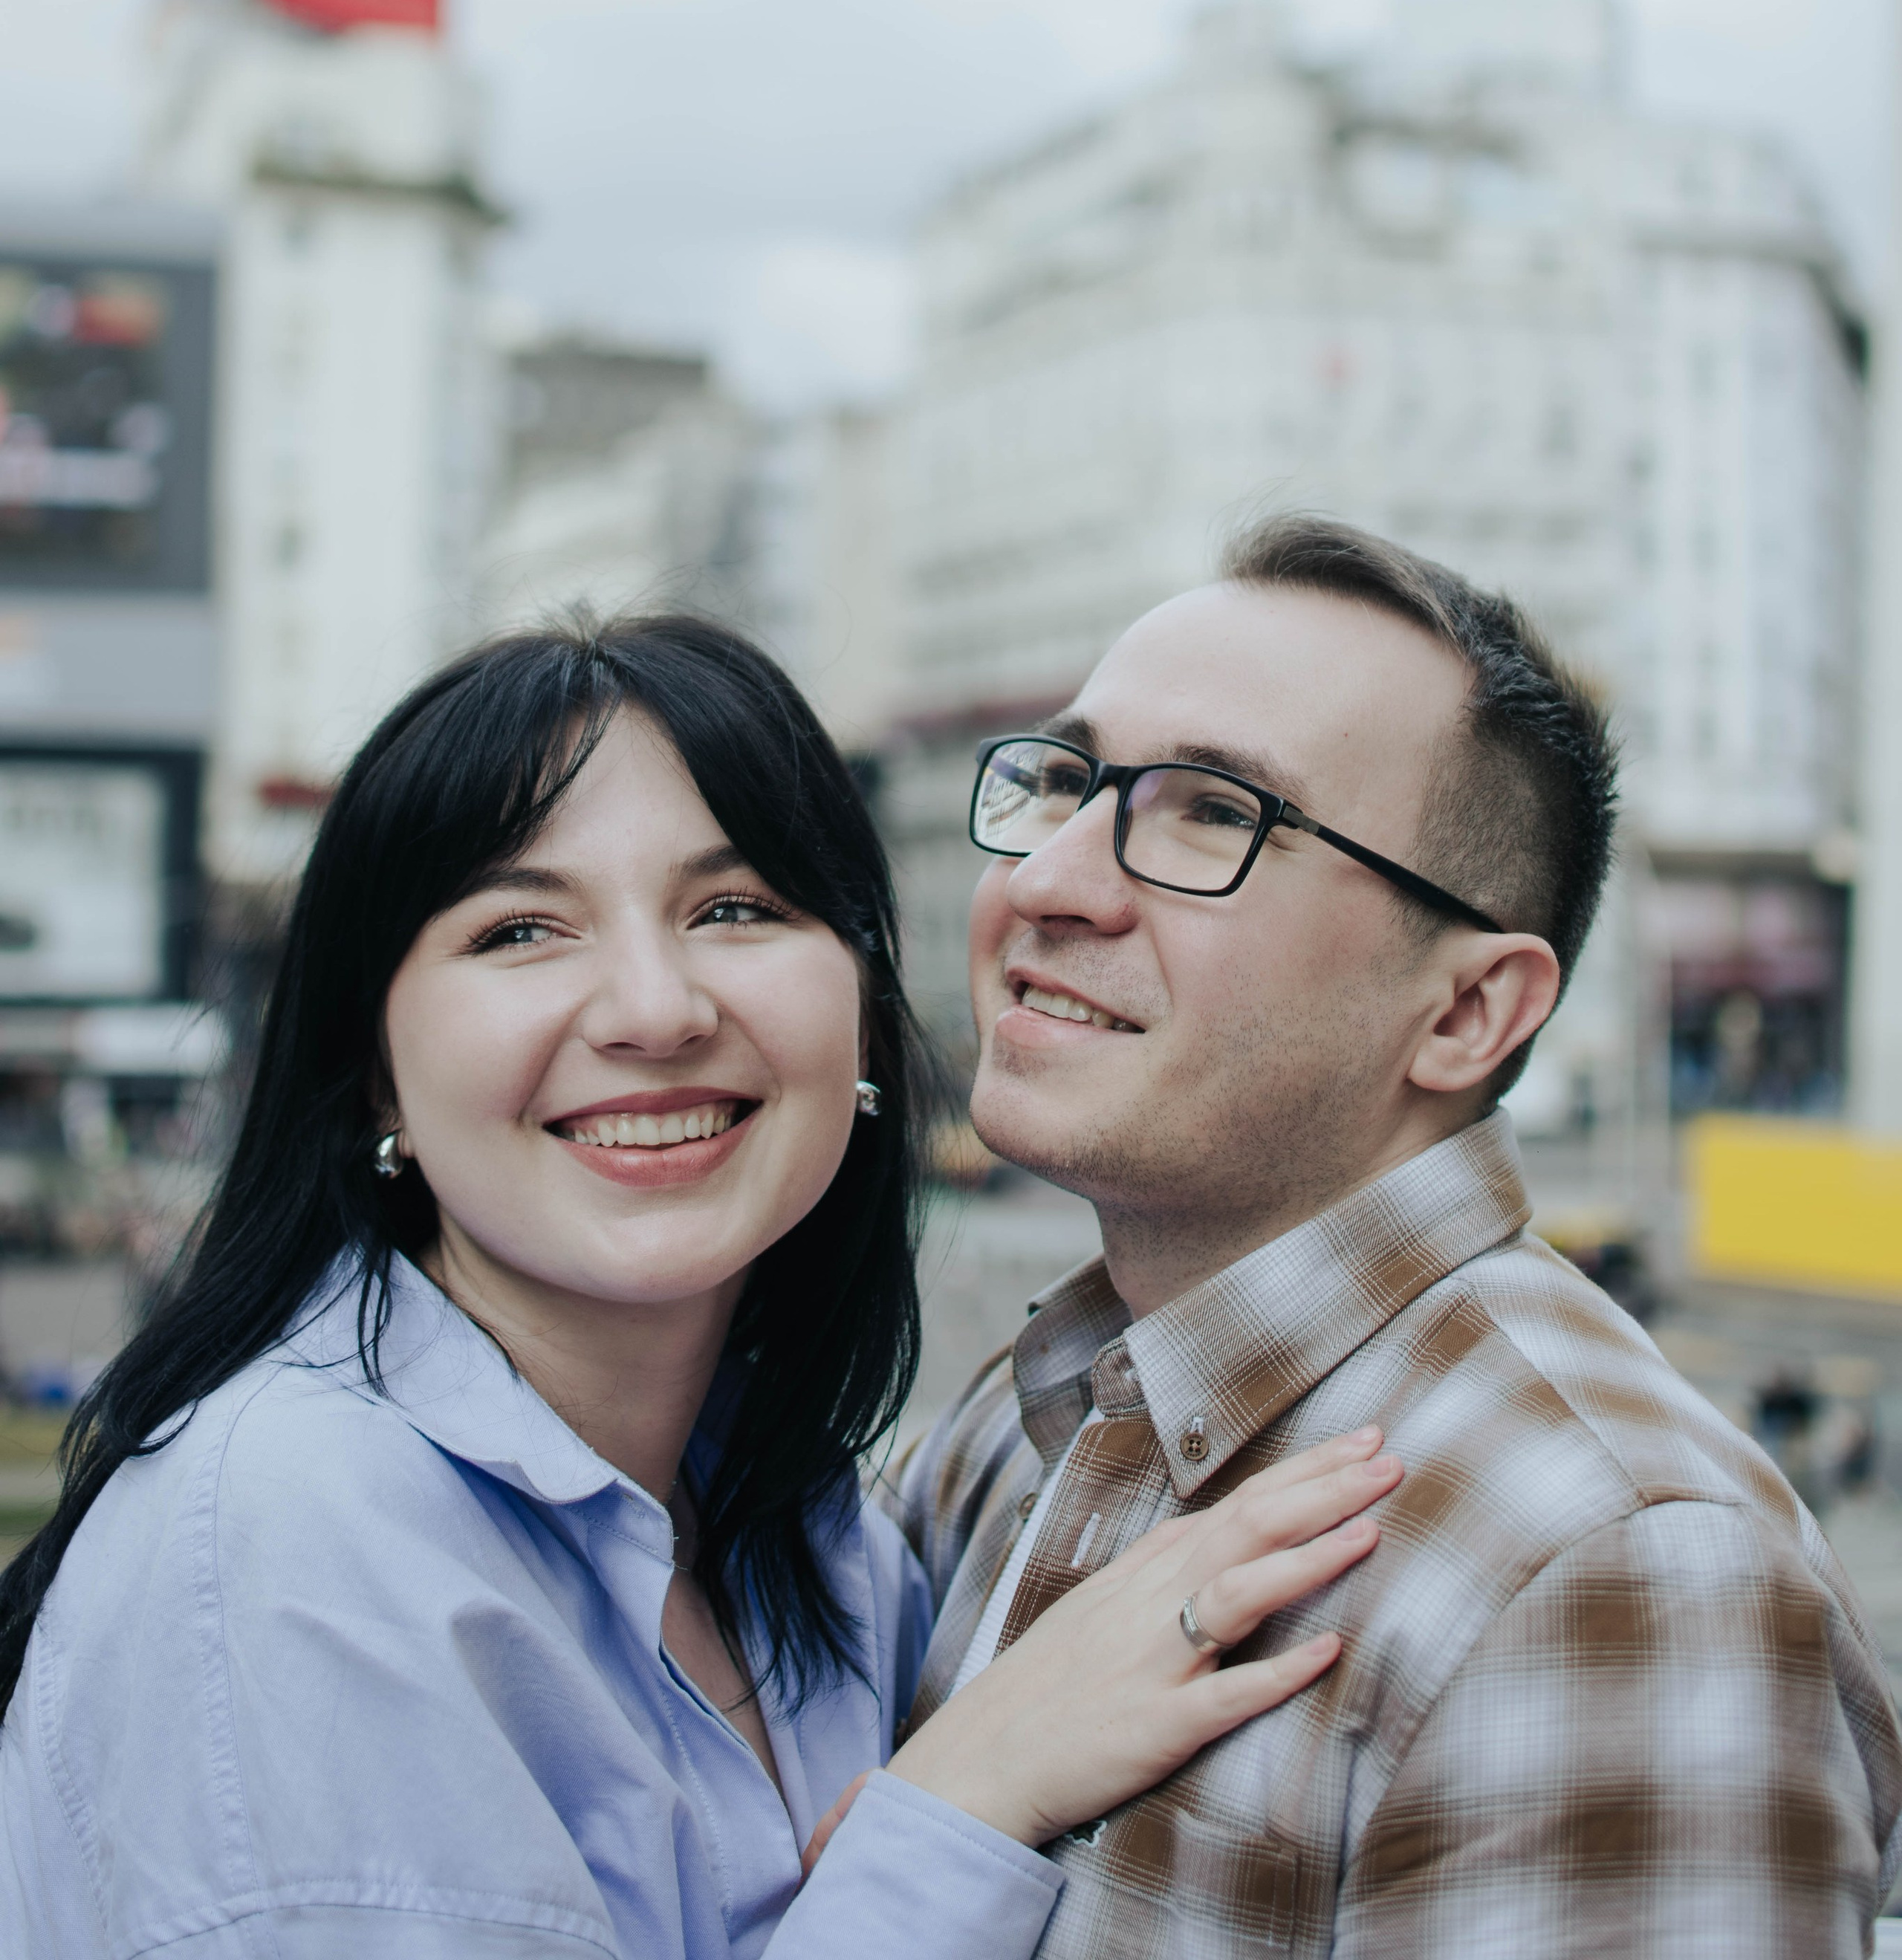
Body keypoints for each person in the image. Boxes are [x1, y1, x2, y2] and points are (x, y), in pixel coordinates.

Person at [0, 613, 1398, 1960]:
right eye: (520, 932)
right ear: (379, 1075)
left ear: (859, 1002)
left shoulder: (824, 1543)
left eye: (734, 908)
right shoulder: (294, 1544)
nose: (656, 1011)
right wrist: (960, 1804)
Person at [895, 515, 1902, 1957]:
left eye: (1207, 815)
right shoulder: (1026, 1418)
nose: (1048, 881)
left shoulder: (1610, 1566)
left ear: (1463, 1012)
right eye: (1064, 784)